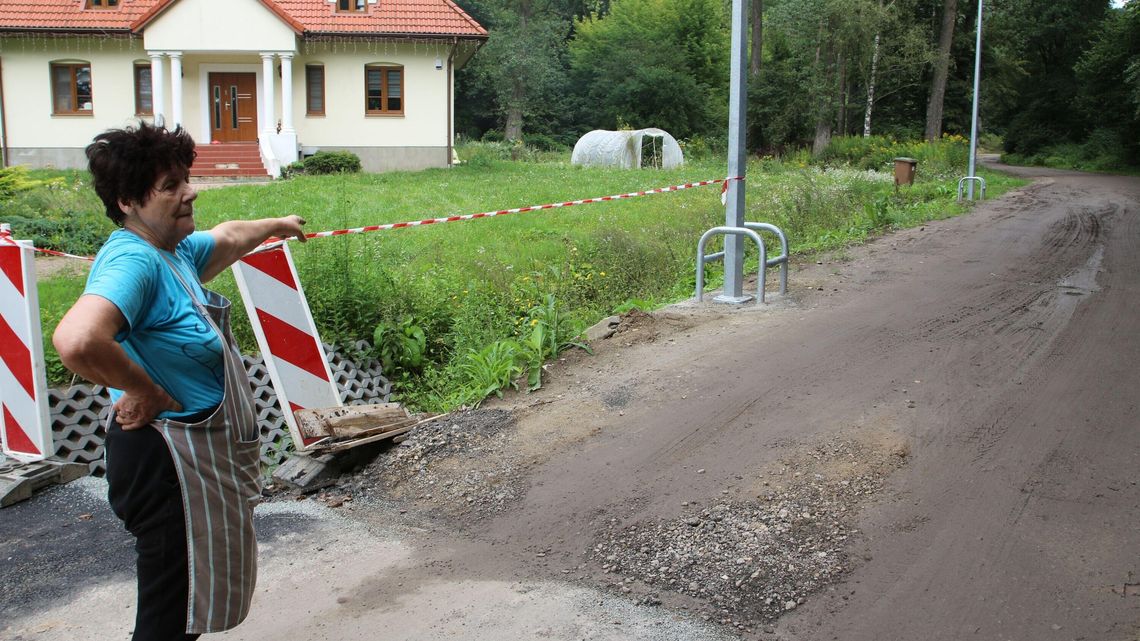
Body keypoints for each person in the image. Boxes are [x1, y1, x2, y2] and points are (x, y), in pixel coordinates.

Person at [53, 122, 306, 641]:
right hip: (166, 465)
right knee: (169, 619)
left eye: (186, 178)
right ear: (127, 201)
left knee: (187, 608)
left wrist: (279, 222)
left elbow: (232, 234)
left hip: (188, 462)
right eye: (170, 185)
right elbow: (77, 340)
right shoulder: (134, 261)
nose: (189, 191)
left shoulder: (177, 253)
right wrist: (143, 389)